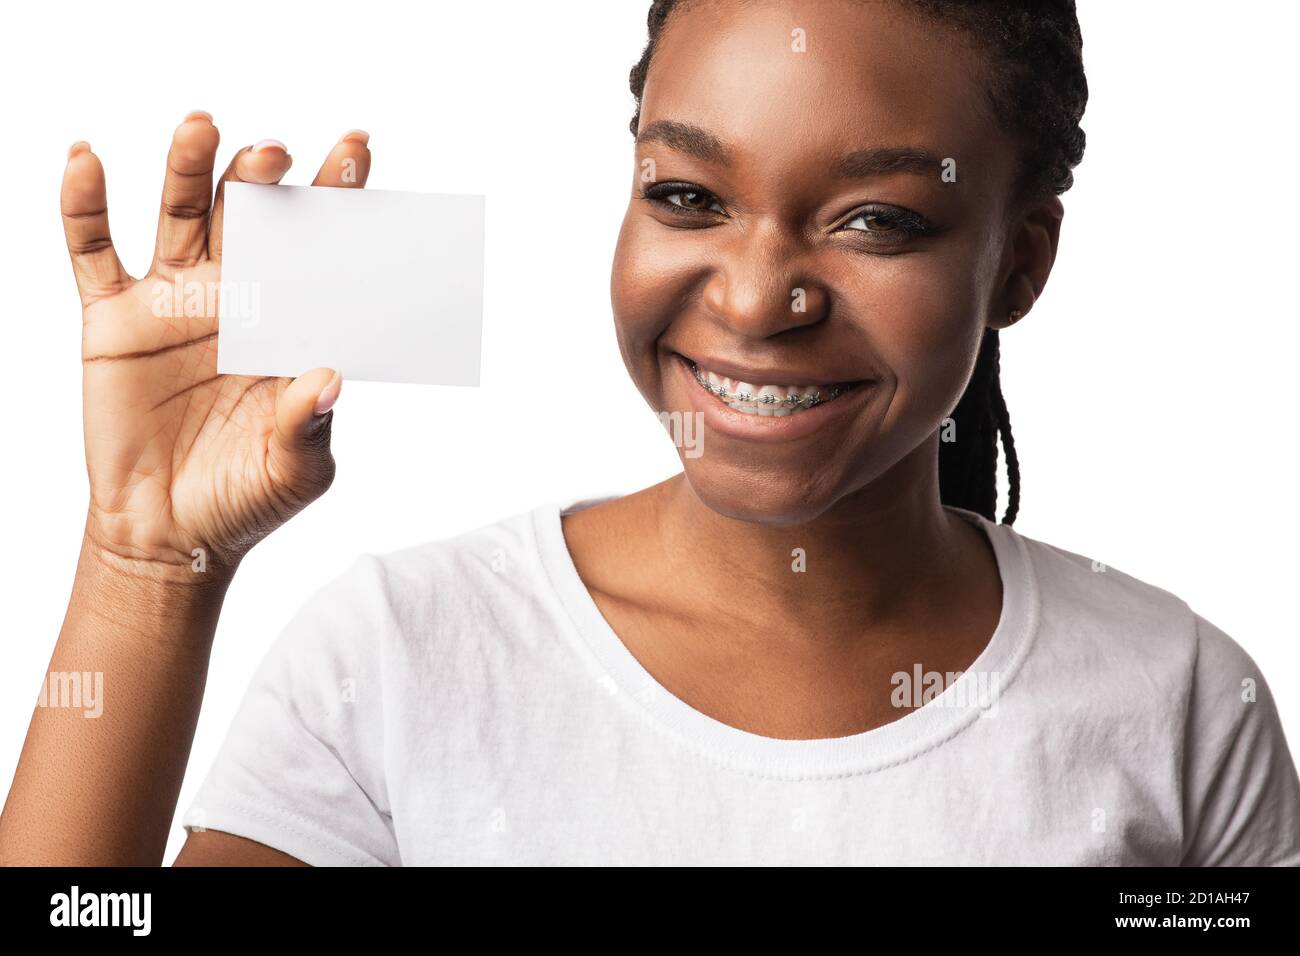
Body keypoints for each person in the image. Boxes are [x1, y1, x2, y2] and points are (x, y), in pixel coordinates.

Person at [2, 0, 1297, 866]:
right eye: (687, 196)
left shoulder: (1176, 701)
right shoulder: (401, 655)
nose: (756, 299)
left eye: (877, 220)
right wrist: (143, 568)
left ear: (1020, 263)